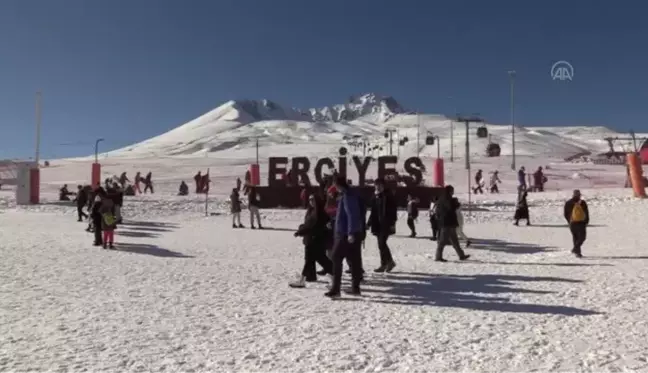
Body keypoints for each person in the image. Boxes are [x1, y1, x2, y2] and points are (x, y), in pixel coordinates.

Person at [326, 176, 364, 298]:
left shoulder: (347, 196)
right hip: (351, 232)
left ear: (338, 185)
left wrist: (351, 233)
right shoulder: (348, 195)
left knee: (336, 257)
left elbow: (351, 214)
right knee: (354, 260)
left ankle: (336, 289)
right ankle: (355, 288)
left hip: (345, 234)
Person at [290, 194, 333, 288]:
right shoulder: (311, 211)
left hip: (316, 240)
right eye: (309, 199)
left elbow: (314, 227)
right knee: (316, 260)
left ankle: (302, 280)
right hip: (311, 239)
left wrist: (301, 231)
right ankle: (306, 279)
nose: (311, 201)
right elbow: (307, 224)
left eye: (313, 199)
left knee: (319, 260)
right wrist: (301, 229)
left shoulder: (320, 213)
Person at [367, 179, 398, 272]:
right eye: (376, 185)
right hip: (377, 224)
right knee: (381, 245)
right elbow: (373, 212)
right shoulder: (375, 196)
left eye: (380, 185)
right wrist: (368, 223)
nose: (378, 187)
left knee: (382, 243)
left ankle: (389, 262)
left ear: (384, 186)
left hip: (386, 224)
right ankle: (384, 264)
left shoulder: (388, 196)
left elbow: (393, 211)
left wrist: (392, 223)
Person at [434, 185, 470, 262]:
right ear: (450, 191)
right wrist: (455, 203)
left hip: (447, 223)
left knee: (455, 241)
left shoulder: (442, 199)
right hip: (447, 223)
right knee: (442, 241)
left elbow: (438, 211)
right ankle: (438, 257)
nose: (453, 192)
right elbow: (450, 208)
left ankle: (461, 255)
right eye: (452, 190)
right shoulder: (447, 199)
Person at [564, 189, 589, 258]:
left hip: (572, 223)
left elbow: (565, 214)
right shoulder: (583, 202)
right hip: (581, 222)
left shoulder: (568, 202)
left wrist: (569, 221)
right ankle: (576, 250)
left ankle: (577, 252)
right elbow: (586, 212)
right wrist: (586, 221)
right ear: (579, 195)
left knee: (575, 237)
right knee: (582, 237)